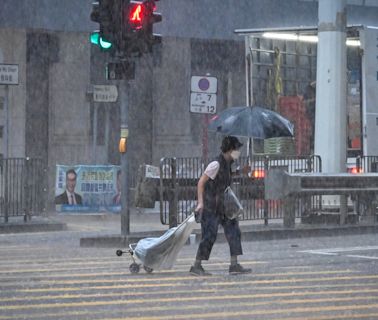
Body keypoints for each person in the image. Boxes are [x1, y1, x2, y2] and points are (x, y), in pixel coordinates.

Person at [189, 136, 252, 276]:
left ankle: (234, 265)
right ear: (230, 150)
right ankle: (196, 265)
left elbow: (225, 176)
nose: (238, 153)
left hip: (224, 207)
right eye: (236, 150)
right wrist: (200, 203)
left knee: (234, 231)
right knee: (209, 236)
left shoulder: (228, 164)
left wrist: (241, 171)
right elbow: (201, 182)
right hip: (211, 206)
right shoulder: (215, 164)